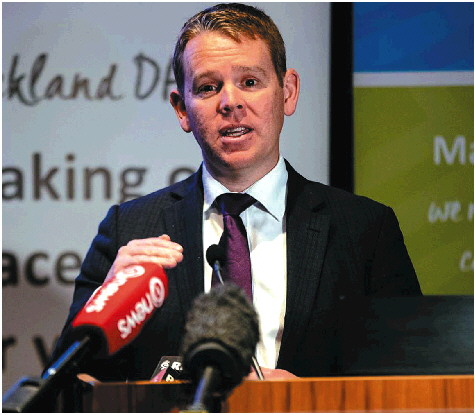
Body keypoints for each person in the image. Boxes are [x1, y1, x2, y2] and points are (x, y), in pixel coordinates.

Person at [49, 3, 421, 381]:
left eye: (250, 82)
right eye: (208, 88)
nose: (230, 102)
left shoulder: (364, 230)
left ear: (288, 92)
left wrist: (312, 400)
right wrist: (107, 305)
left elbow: (411, 382)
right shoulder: (128, 230)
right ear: (182, 109)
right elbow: (65, 387)